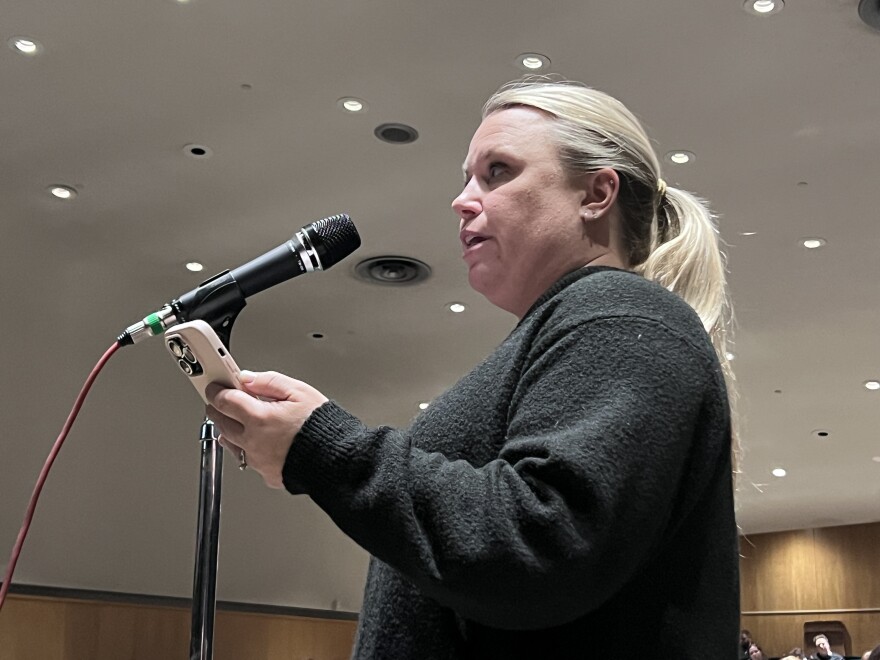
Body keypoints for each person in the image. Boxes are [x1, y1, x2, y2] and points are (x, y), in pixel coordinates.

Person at [206, 77, 740, 658]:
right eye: (468, 177)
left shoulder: (621, 313)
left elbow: (542, 544)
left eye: (498, 172)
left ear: (596, 193)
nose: (462, 199)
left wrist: (323, 449)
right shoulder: (585, 321)